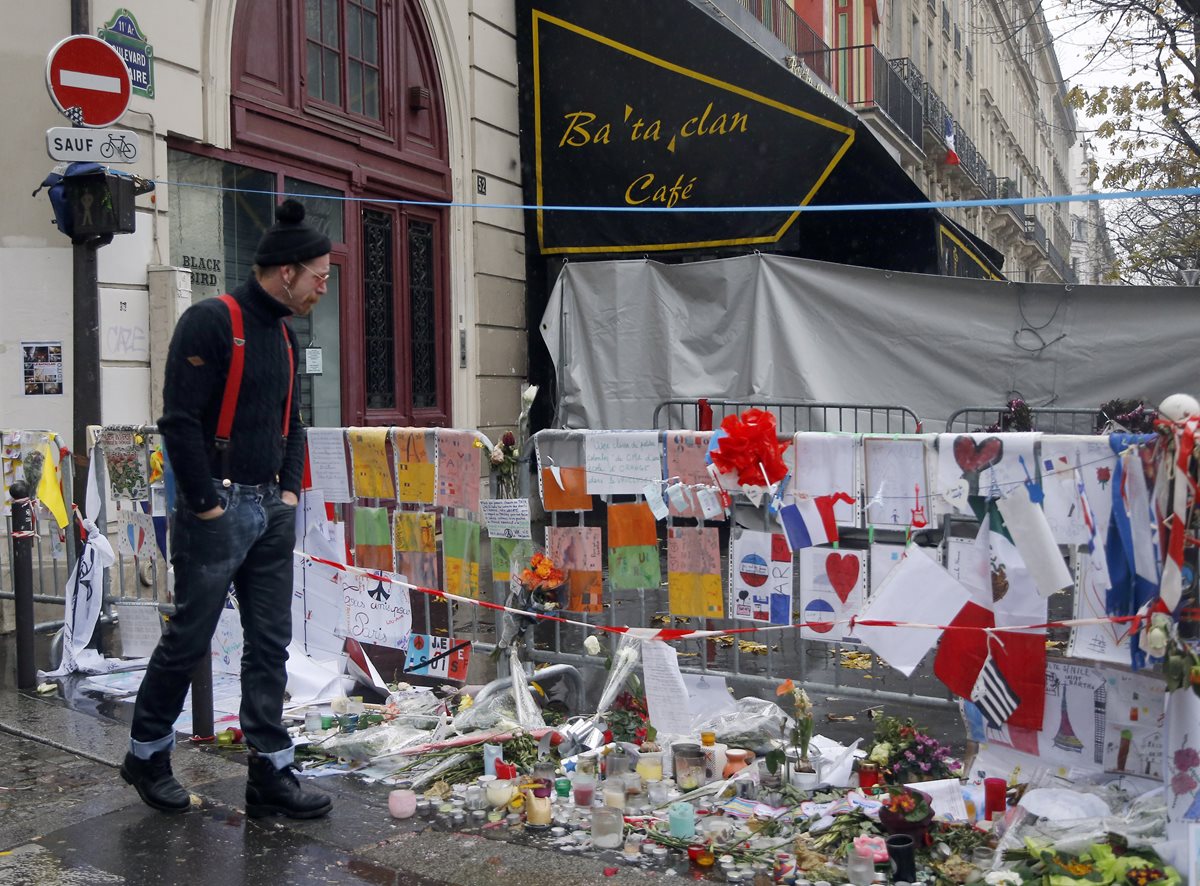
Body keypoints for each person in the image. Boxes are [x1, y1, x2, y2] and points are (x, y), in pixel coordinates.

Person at [122, 199, 332, 818]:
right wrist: (209, 507)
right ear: (286, 270)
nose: (324, 286)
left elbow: (294, 423)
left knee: (270, 643)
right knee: (190, 638)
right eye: (319, 275)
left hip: (269, 506)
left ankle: (271, 773)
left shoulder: (288, 338)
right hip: (219, 505)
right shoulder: (212, 321)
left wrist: (288, 494)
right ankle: (147, 752)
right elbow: (178, 424)